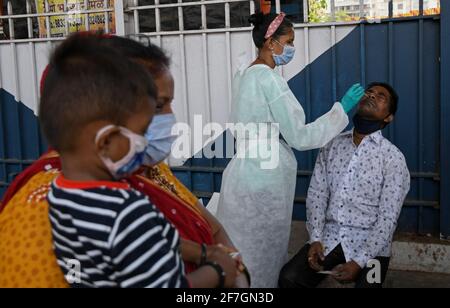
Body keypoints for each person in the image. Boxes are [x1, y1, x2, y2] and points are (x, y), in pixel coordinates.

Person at [0, 35, 246, 288]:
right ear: (106, 135)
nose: (169, 120)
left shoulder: (128, 169)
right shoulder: (36, 210)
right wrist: (219, 271)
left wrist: (213, 258)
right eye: (157, 107)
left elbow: (204, 230)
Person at [215, 11, 365, 287]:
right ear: (271, 43)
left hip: (240, 173)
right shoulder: (270, 80)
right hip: (265, 178)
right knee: (262, 256)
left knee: (238, 251)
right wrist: (340, 110)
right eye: (290, 41)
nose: (292, 48)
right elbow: (300, 136)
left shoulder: (244, 75)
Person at [278, 82, 410, 288]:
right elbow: (317, 195)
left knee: (369, 286)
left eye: (381, 96)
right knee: (289, 278)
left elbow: (388, 217)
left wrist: (359, 261)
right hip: (329, 236)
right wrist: (315, 239)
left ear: (388, 117)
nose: (372, 96)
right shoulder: (332, 145)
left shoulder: (392, 158)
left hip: (371, 244)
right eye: (369, 92)